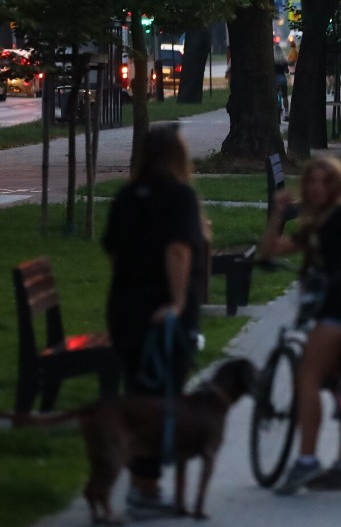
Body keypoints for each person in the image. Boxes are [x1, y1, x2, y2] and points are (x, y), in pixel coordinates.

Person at [263, 155, 341, 494]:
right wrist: (277, 213)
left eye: (325, 182)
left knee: (308, 376)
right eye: (312, 182)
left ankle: (306, 460)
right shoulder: (313, 224)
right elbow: (271, 251)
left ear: (336, 186)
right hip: (340, 310)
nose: (317, 188)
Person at [102, 123, 208, 512]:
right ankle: (144, 488)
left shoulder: (128, 196)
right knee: (161, 400)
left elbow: (113, 251)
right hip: (163, 316)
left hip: (126, 309)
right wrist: (178, 303)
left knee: (138, 394)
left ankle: (139, 482)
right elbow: (177, 251)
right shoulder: (178, 196)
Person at [273, 44, 290, 122]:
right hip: (282, 78)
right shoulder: (283, 59)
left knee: (274, 96)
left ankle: (274, 113)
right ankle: (286, 114)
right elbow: (287, 71)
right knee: (285, 96)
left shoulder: (271, 59)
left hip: (274, 80)